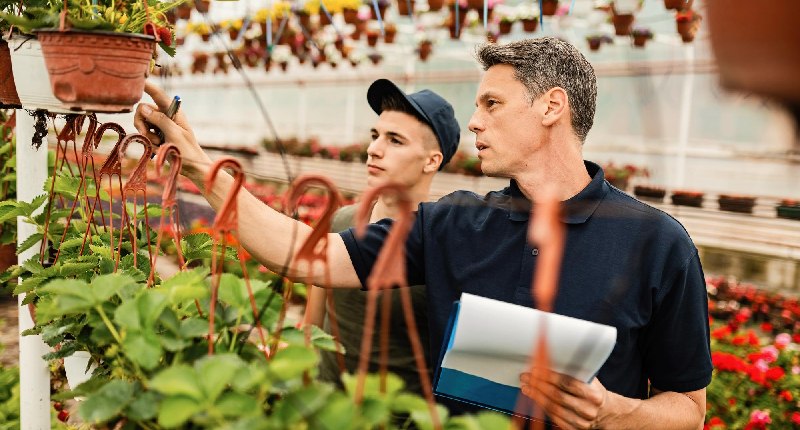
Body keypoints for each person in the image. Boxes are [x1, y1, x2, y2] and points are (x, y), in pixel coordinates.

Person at [135, 36, 711, 429]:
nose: (475, 122)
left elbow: (688, 406)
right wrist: (201, 170)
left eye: (491, 102)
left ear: (551, 107)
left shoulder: (657, 243)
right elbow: (307, 257)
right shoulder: (451, 223)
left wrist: (612, 411)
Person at [306, 79, 461, 395]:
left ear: (432, 160)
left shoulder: (444, 246)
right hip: (324, 407)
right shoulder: (341, 220)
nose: (373, 149)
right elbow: (311, 322)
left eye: (395, 140)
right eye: (375, 136)